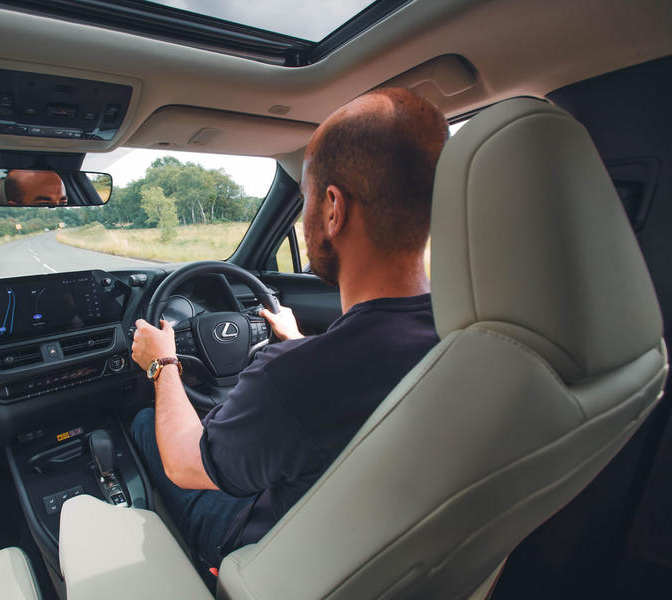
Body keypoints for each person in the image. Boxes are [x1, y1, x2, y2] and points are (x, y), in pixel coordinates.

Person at [129, 87, 449, 572]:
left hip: (267, 551)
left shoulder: (296, 378)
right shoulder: (463, 330)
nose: (303, 218)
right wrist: (300, 342)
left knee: (142, 426)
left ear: (333, 210)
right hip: (380, 550)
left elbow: (183, 461)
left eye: (305, 200)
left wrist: (162, 362)